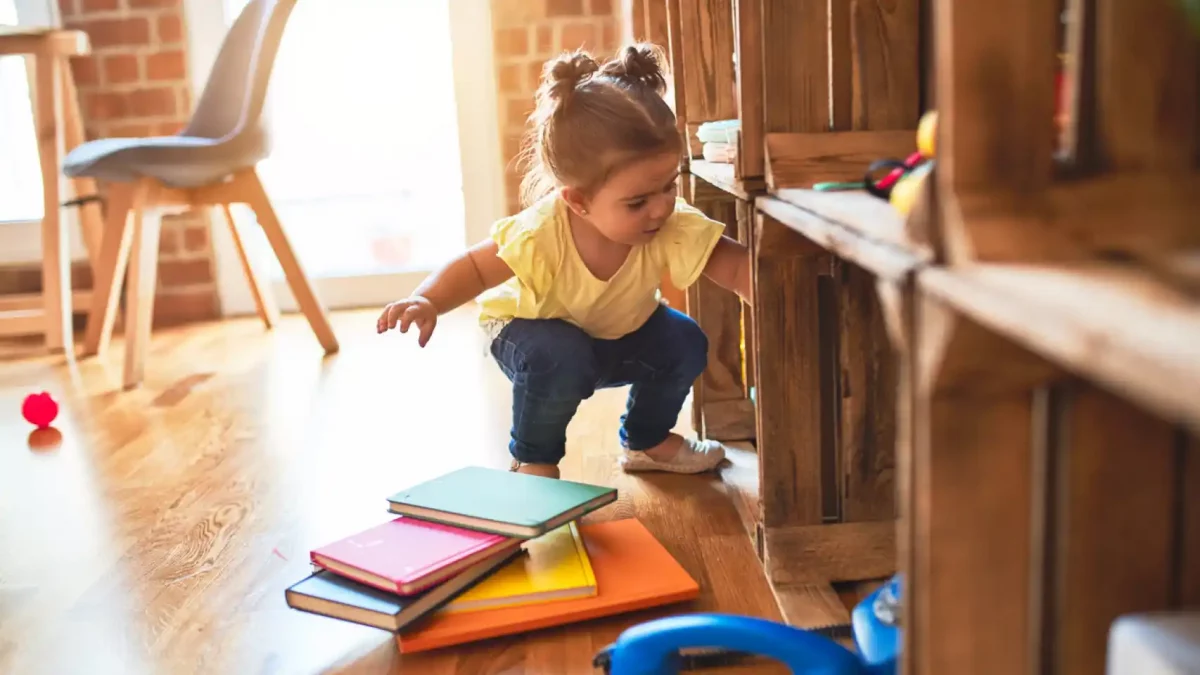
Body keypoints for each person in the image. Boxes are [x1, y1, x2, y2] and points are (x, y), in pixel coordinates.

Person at [376, 43, 751, 480]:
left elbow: (733, 263)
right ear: (577, 201)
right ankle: (534, 460)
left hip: (612, 336)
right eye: (637, 202)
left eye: (669, 186)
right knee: (561, 355)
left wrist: (766, 292)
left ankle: (647, 441)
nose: (660, 208)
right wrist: (427, 301)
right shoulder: (542, 232)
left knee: (685, 341)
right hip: (528, 334)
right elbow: (476, 267)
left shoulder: (670, 222)